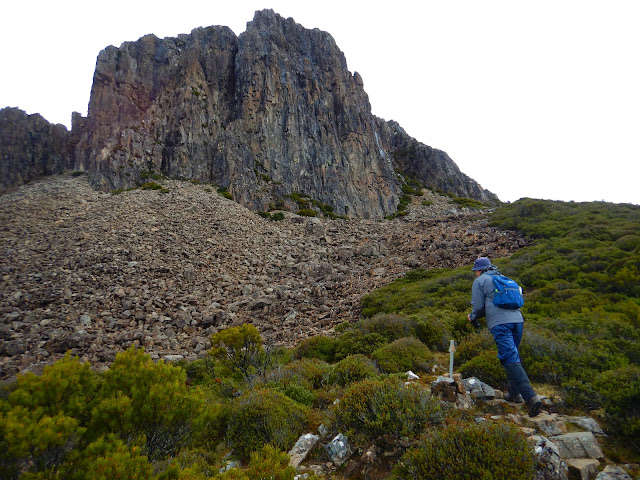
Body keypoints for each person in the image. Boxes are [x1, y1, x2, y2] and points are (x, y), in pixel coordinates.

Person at [467, 256, 542, 417]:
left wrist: (472, 317)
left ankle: (531, 397)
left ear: (479, 270)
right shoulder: (503, 278)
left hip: (500, 323)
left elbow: (478, 307)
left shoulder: (480, 281)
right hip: (517, 321)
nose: (475, 274)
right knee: (513, 355)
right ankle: (514, 394)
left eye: (476, 271)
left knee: (509, 357)